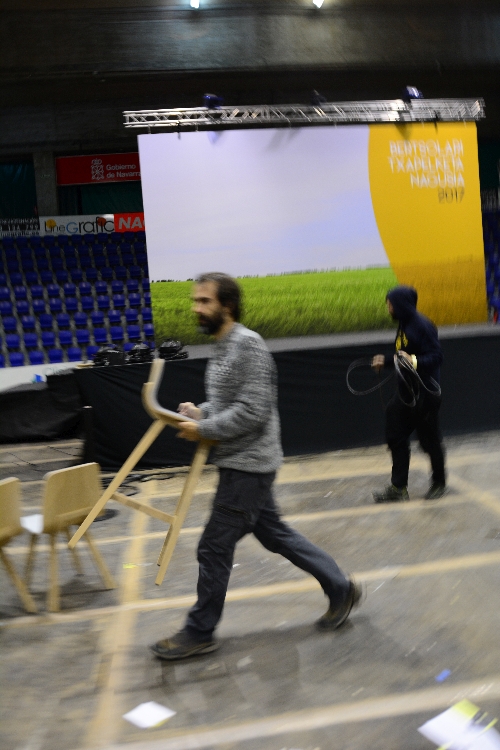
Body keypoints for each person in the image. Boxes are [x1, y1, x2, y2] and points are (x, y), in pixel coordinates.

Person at [151, 272, 362, 661]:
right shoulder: (223, 346)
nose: (196, 308)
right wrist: (202, 412)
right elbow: (230, 403)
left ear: (227, 306)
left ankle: (199, 631)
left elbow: (253, 411)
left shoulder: (247, 345)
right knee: (275, 534)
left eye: (204, 301)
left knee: (214, 546)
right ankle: (341, 588)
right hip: (241, 462)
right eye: (195, 301)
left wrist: (203, 429)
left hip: (248, 466)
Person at [371, 285, 446, 503]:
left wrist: (413, 360)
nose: (389, 309)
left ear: (401, 305)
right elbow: (403, 354)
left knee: (429, 441)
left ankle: (439, 482)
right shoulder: (404, 324)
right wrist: (386, 361)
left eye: (391, 305)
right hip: (405, 392)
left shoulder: (423, 326)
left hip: (424, 394)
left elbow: (436, 357)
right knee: (395, 435)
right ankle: (398, 488)